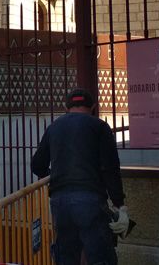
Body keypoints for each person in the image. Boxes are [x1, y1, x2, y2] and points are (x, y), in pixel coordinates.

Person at [31, 88, 129, 265]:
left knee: (67, 258)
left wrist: (54, 178)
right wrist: (120, 205)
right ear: (93, 107)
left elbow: (37, 164)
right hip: (90, 201)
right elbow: (110, 168)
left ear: (66, 107)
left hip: (60, 202)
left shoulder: (54, 127)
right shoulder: (99, 127)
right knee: (101, 257)